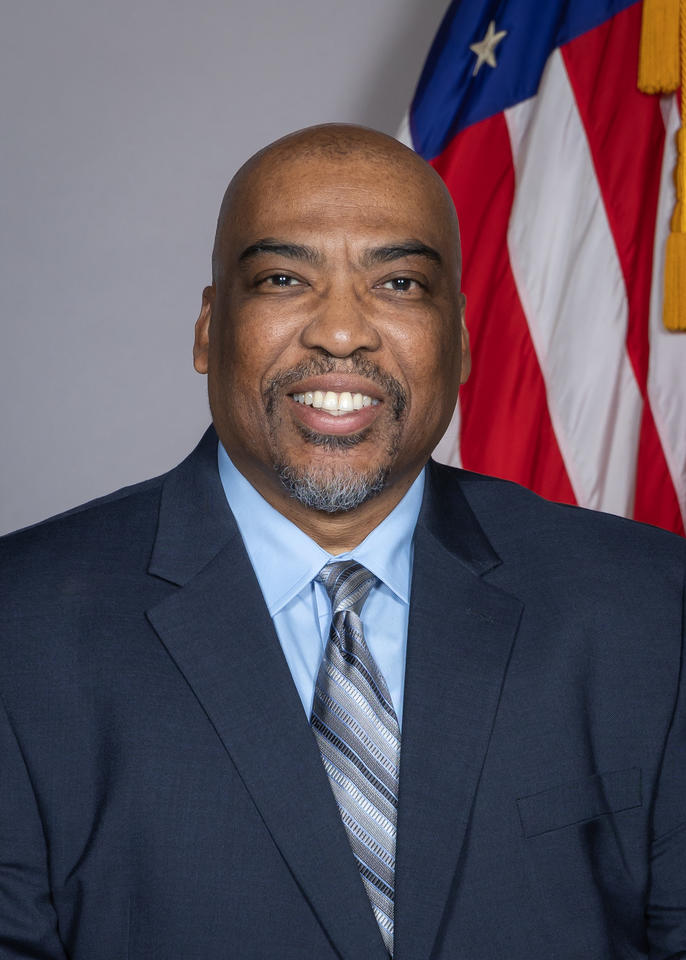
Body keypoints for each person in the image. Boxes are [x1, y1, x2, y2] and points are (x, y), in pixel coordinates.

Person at [0, 123, 683, 960]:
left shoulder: (651, 609)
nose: (340, 333)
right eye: (284, 278)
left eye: (397, 282)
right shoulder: (20, 631)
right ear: (209, 328)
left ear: (461, 338)